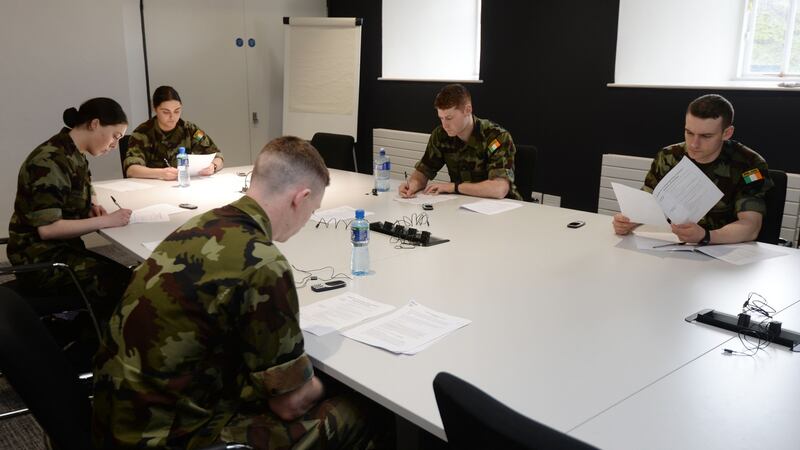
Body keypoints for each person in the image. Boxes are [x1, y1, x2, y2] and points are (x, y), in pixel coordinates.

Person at [93, 137, 389, 449]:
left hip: (116, 419)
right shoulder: (263, 262)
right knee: (363, 411)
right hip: (173, 437)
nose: (307, 220)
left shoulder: (201, 224)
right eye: (312, 209)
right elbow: (290, 404)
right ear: (299, 199)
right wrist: (327, 383)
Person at [7, 98, 133, 319]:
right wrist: (107, 220)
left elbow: (84, 183)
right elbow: (48, 229)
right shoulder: (50, 160)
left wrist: (93, 203)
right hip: (41, 260)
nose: (115, 145)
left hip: (63, 250)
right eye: (115, 136)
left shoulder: (73, 152)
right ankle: (101, 342)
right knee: (121, 284)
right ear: (95, 124)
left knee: (126, 275)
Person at [613, 94, 773, 245]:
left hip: (724, 250)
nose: (694, 144)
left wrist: (706, 236)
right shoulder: (669, 156)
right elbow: (647, 203)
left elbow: (750, 226)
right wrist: (629, 220)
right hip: (673, 245)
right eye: (689, 133)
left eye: (706, 136)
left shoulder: (749, 165)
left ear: (727, 133)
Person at [398, 83, 522, 200]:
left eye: (449, 118)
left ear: (467, 110)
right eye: (441, 118)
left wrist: (454, 187)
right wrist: (413, 185)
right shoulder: (441, 135)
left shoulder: (496, 137)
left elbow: (499, 189)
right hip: (462, 205)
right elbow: (424, 171)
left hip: (503, 208)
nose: (445, 125)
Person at [124, 85, 224, 179]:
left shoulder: (191, 130)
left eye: (177, 111)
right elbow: (131, 170)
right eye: (166, 112)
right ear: (155, 109)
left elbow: (217, 155)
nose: (172, 117)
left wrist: (213, 166)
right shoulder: (142, 133)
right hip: (155, 187)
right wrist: (161, 173)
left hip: (184, 184)